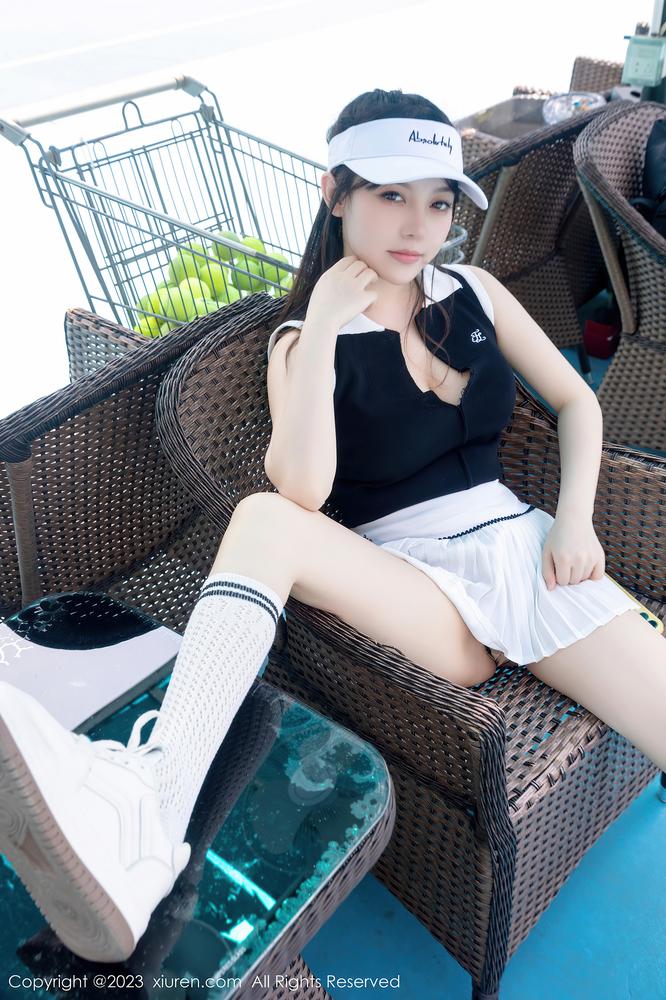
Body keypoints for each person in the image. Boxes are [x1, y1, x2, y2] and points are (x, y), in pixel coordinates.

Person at [0, 87, 664, 966]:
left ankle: (141, 809)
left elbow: (579, 401)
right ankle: (149, 805)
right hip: (419, 590)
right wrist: (319, 327)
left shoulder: (474, 291)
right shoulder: (300, 342)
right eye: (390, 195)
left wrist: (575, 522)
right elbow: (302, 491)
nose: (417, 226)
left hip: (529, 552)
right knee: (265, 520)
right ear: (335, 192)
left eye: (438, 202)